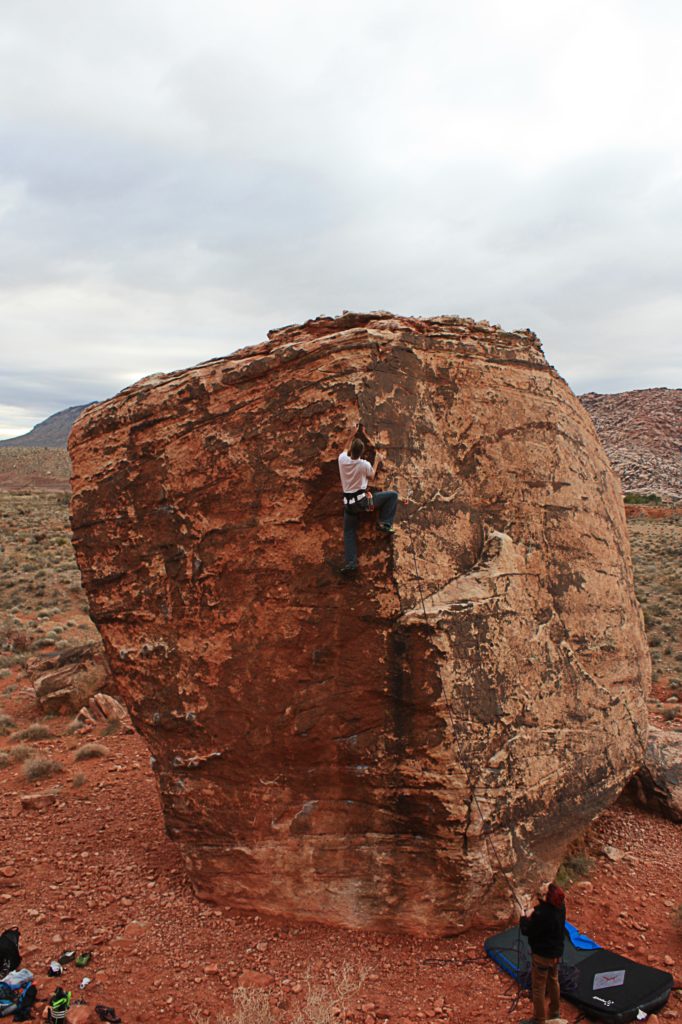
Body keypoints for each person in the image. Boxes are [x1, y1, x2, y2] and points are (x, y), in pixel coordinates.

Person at [338, 424, 398, 574]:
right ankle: (385, 523)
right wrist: (377, 460)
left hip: (349, 506)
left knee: (349, 531)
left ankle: (351, 563)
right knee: (392, 496)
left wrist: (352, 434)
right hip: (363, 502)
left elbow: (345, 448)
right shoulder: (364, 464)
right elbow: (371, 475)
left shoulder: (342, 460)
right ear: (362, 453)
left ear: (351, 450)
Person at [519, 883, 567, 1024]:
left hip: (542, 956)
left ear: (548, 897)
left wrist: (523, 918)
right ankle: (554, 1012)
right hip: (556, 954)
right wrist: (534, 910)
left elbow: (527, 931)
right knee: (553, 981)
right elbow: (544, 909)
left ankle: (538, 1019)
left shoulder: (542, 915)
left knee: (538, 987)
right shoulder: (560, 907)